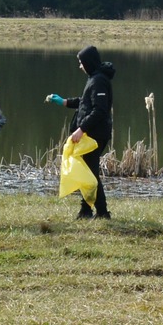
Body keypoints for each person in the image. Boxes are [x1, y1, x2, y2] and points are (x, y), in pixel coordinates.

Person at [46, 45, 115, 219]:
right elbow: (85, 103)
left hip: (95, 135)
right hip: (90, 133)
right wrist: (64, 102)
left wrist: (81, 129)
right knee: (87, 171)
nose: (80, 66)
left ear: (88, 62)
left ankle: (102, 212)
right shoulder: (94, 78)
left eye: (81, 62)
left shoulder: (99, 80)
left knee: (90, 173)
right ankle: (86, 210)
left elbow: (99, 111)